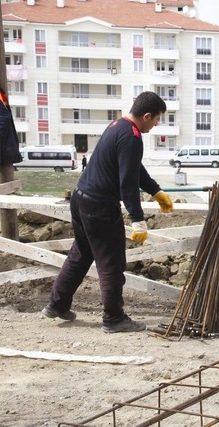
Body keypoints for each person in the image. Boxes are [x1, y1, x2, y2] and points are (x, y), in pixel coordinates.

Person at [41, 92, 174, 333]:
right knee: (112, 262)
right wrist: (137, 220)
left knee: (81, 254)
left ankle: (57, 305)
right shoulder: (132, 137)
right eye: (156, 120)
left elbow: (133, 167)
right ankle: (113, 319)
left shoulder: (117, 126)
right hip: (99, 207)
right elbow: (127, 183)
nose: (156, 125)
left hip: (81, 199)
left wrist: (155, 191)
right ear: (146, 116)